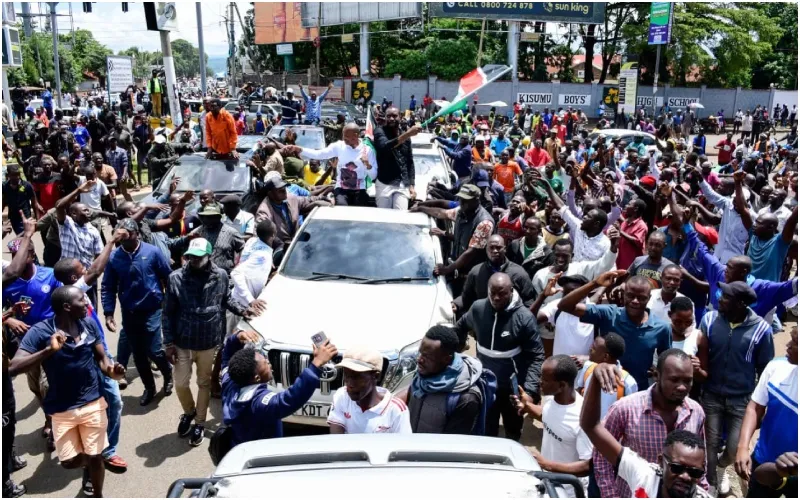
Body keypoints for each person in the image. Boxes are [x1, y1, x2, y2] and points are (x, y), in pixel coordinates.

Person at [9, 285, 126, 498]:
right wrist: (49, 350)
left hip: (93, 402)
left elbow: (102, 360)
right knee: (68, 461)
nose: (87, 303)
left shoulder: (89, 324)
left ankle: (98, 492)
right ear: (66, 307)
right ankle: (89, 463)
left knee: (95, 456)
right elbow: (13, 367)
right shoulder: (41, 331)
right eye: (82, 300)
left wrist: (112, 371)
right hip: (61, 407)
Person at [163, 238, 254, 447]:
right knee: (180, 383)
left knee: (204, 384)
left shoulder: (221, 276)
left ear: (209, 256)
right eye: (190, 257)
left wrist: (243, 310)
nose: (193, 261)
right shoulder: (176, 278)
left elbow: (226, 300)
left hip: (208, 341)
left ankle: (199, 423)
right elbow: (167, 313)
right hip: (182, 341)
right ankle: (189, 411)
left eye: (198, 257)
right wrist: (167, 344)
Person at [580, 360, 709, 498]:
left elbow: (701, 461)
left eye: (688, 381)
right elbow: (599, 449)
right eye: (674, 380)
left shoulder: (696, 412)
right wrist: (610, 495)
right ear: (657, 376)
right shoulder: (644, 476)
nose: (682, 387)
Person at [695, 281, 774, 496]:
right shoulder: (709, 320)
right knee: (709, 444)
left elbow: (765, 369)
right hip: (711, 394)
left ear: (740, 304)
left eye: (726, 297)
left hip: (742, 400)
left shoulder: (761, 329)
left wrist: (757, 405)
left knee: (734, 448)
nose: (719, 298)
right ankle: (711, 484)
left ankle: (722, 465)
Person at [453, 273, 544, 441]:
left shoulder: (524, 318)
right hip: (485, 384)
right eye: (492, 292)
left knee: (512, 429)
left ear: (511, 291)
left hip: (512, 388)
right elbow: (460, 327)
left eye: (501, 293)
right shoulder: (478, 308)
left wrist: (530, 391)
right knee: (487, 427)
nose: (496, 298)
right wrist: (454, 352)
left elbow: (536, 356)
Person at [221, 330, 338, 447]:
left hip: (237, 449)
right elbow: (289, 399)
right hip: (261, 460)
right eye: (265, 362)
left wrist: (236, 338)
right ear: (256, 378)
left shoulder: (229, 382)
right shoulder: (259, 404)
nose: (269, 362)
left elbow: (226, 359)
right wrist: (316, 364)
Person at [558, 271, 672, 391]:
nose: (635, 301)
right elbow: (565, 305)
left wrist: (657, 373)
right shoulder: (608, 314)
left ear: (649, 298)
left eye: (641, 298)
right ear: (623, 295)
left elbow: (666, 362)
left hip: (638, 392)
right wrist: (595, 283)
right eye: (630, 295)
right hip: (604, 389)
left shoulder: (662, 328)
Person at [102, 218, 174, 406]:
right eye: (122, 236)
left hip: (152, 309)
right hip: (130, 312)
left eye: (130, 235)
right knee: (139, 354)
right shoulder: (114, 257)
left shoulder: (152, 252)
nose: (126, 239)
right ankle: (149, 387)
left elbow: (168, 276)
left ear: (137, 234)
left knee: (154, 350)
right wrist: (108, 313)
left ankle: (168, 375)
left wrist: (170, 304)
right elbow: (108, 287)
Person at [514, 355, 593, 496]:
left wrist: (547, 464)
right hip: (547, 481)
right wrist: (527, 406)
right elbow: (548, 416)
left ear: (562, 385)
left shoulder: (582, 418)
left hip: (569, 491)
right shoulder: (552, 398)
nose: (540, 382)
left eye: (545, 380)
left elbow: (587, 466)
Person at [735, 328, 797, 498]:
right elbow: (755, 407)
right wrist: (742, 447)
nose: (788, 345)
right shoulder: (777, 366)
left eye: (796, 343)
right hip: (766, 462)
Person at [404, 325, 484, 434]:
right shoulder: (423, 373)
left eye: (427, 357)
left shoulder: (466, 399)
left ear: (446, 359)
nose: (419, 360)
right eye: (420, 353)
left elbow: (452, 446)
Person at [412, 184, 494, 287]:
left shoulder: (484, 222)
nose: (462, 202)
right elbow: (441, 213)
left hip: (472, 275)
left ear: (476, 200)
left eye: (466, 200)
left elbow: (471, 252)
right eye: (461, 199)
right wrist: (421, 208)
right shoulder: (462, 211)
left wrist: (447, 269)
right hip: (458, 270)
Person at [328, 347, 412, 434]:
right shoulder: (342, 396)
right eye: (346, 375)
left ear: (376, 376)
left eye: (356, 377)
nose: (349, 383)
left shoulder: (396, 410)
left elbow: (402, 445)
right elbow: (337, 440)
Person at [297, 123, 377, 207]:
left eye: (346, 136)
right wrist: (300, 150)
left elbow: (373, 176)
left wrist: (367, 165)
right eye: (343, 135)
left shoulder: (367, 151)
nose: (343, 138)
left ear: (355, 136)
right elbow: (319, 154)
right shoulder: (339, 146)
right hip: (341, 189)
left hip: (360, 190)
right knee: (341, 208)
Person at [735, 179, 797, 282]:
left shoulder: (779, 243)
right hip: (748, 288)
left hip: (767, 292)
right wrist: (737, 183)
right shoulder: (753, 235)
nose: (754, 225)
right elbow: (743, 209)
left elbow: (792, 220)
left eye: (759, 223)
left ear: (770, 228)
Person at [457, 235, 535, 314]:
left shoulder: (519, 273)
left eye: (498, 248)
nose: (495, 251)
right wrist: (456, 304)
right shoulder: (476, 272)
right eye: (491, 247)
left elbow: (529, 302)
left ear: (504, 249)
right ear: (486, 249)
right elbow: (466, 298)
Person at [538, 177, 610, 262]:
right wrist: (548, 186)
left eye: (588, 217)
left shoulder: (606, 244)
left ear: (596, 224)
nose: (584, 216)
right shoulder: (578, 226)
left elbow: (609, 268)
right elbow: (561, 207)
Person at [54, 179, 104, 304]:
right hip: (67, 276)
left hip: (86, 276)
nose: (88, 212)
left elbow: (99, 256)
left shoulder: (94, 230)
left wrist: (93, 273)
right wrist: (79, 190)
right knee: (68, 307)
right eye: (85, 210)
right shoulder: (67, 224)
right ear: (73, 213)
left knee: (89, 307)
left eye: (88, 210)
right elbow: (59, 206)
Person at [574, 333, 638, 419]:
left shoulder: (627, 382)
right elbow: (579, 392)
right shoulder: (588, 367)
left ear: (605, 356)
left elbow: (631, 414)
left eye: (593, 349)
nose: (589, 351)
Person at [255, 174, 328, 247]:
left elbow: (307, 200)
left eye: (284, 187)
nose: (284, 191)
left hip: (297, 245)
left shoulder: (290, 198)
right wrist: (282, 246)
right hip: (280, 250)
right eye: (279, 190)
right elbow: (265, 235)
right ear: (270, 193)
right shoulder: (263, 211)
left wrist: (323, 198)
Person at [175, 203, 244, 276]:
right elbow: (185, 249)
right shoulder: (197, 232)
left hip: (224, 276)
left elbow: (242, 248)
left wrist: (239, 266)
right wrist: (185, 265)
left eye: (212, 217)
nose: (208, 219)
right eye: (206, 217)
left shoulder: (231, 233)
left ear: (219, 217)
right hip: (199, 276)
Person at [373, 107, 421, 209]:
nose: (391, 119)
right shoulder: (379, 131)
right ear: (385, 117)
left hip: (402, 184)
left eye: (394, 116)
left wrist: (412, 185)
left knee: (400, 218)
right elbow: (385, 146)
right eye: (388, 116)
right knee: (384, 217)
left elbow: (409, 162)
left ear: (400, 117)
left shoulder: (404, 134)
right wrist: (408, 134)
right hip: (384, 183)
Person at [3, 164, 40, 235]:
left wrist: (38, 220)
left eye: (18, 174)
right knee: (22, 239)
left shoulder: (27, 185)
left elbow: (34, 202)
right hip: (13, 218)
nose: (17, 177)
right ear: (8, 175)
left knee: (24, 238)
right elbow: (3, 202)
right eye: (13, 175)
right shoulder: (4, 186)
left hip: (26, 218)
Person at [615, 198, 648, 270]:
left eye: (629, 204)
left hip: (630, 265)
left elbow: (637, 241)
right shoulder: (625, 222)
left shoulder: (641, 226)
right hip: (619, 261)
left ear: (635, 209)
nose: (626, 206)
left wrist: (620, 231)